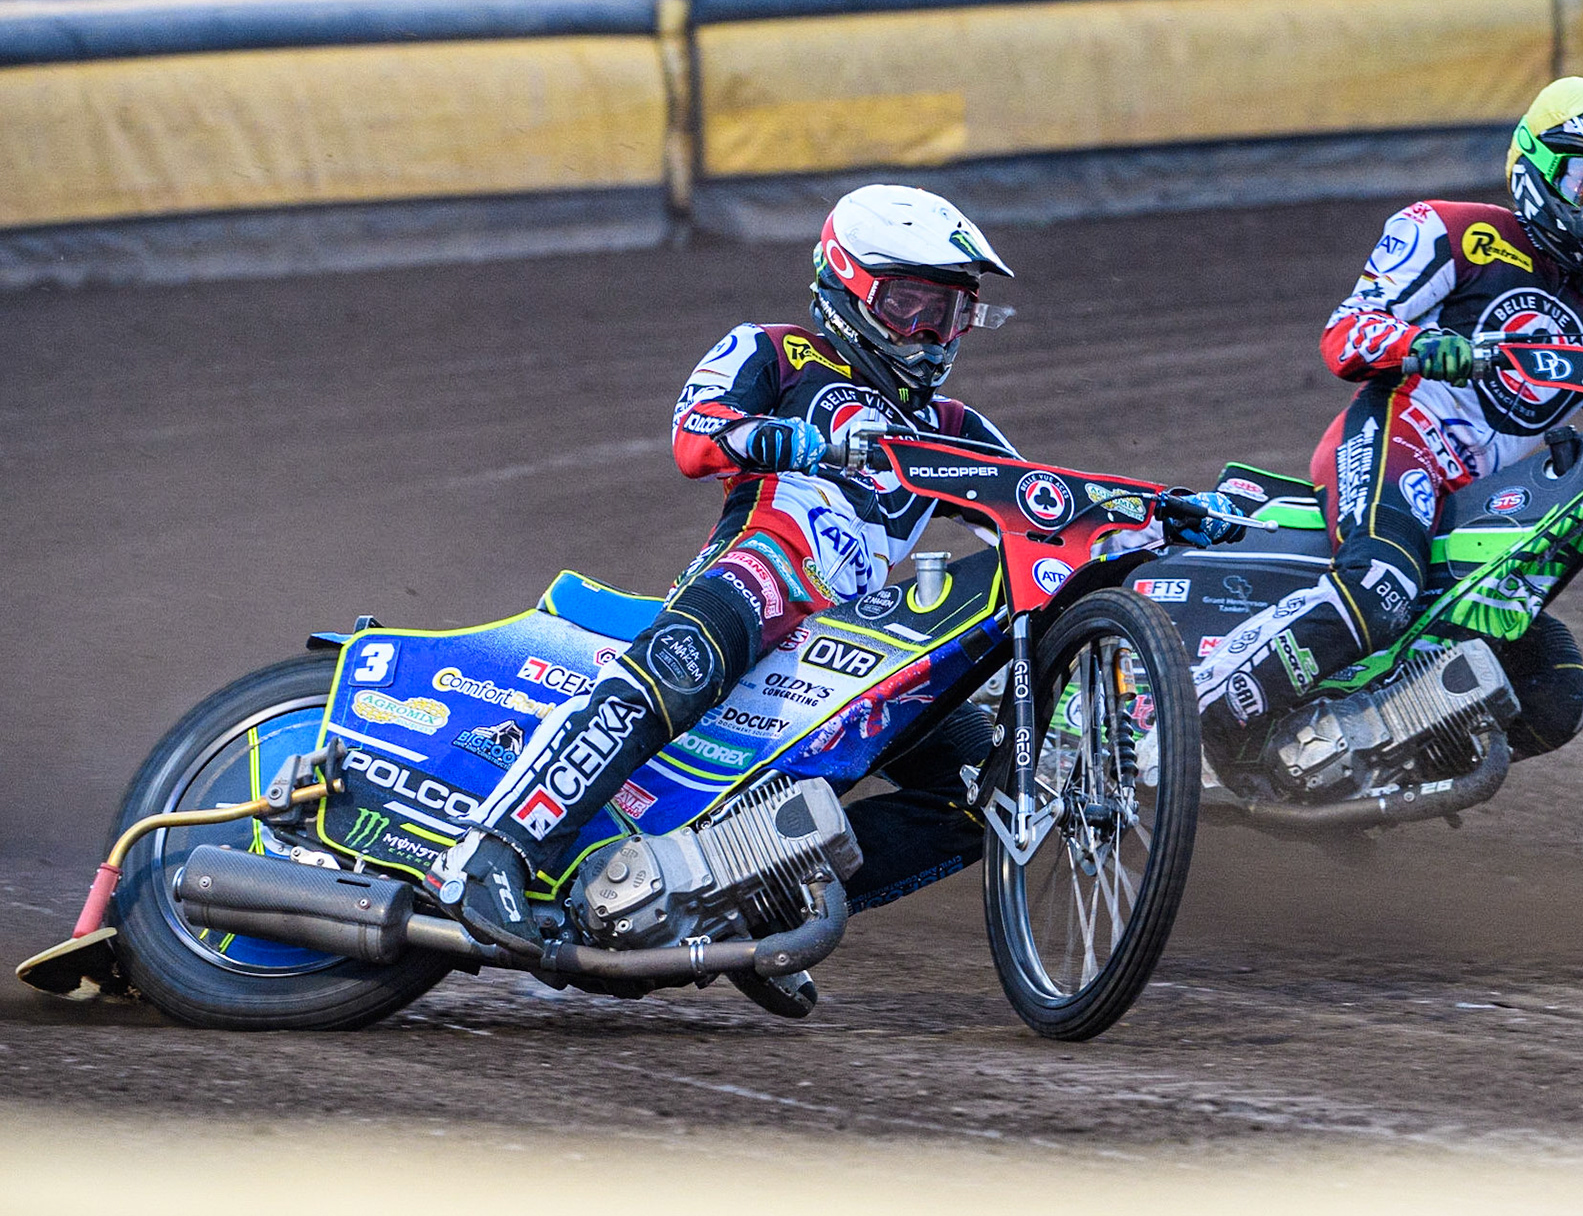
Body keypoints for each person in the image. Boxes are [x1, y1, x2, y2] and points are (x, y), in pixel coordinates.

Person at [429, 184, 1236, 954]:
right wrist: (794, 441)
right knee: (682, 660)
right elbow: (693, 433)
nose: (930, 334)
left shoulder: (952, 427)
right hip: (759, 573)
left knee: (982, 787)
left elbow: (1043, 503)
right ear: (847, 287)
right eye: (909, 305)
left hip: (854, 642)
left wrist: (1164, 508)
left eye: (950, 311)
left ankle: (755, 912)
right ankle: (494, 850)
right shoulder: (778, 352)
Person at [1197, 76, 1583, 764]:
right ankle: (1199, 716)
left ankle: (1347, 765)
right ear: (1536, 167)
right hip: (1399, 441)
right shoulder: (1451, 231)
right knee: (1382, 584)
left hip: (1489, 506)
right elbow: (1347, 332)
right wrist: (1419, 346)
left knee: (1557, 696)